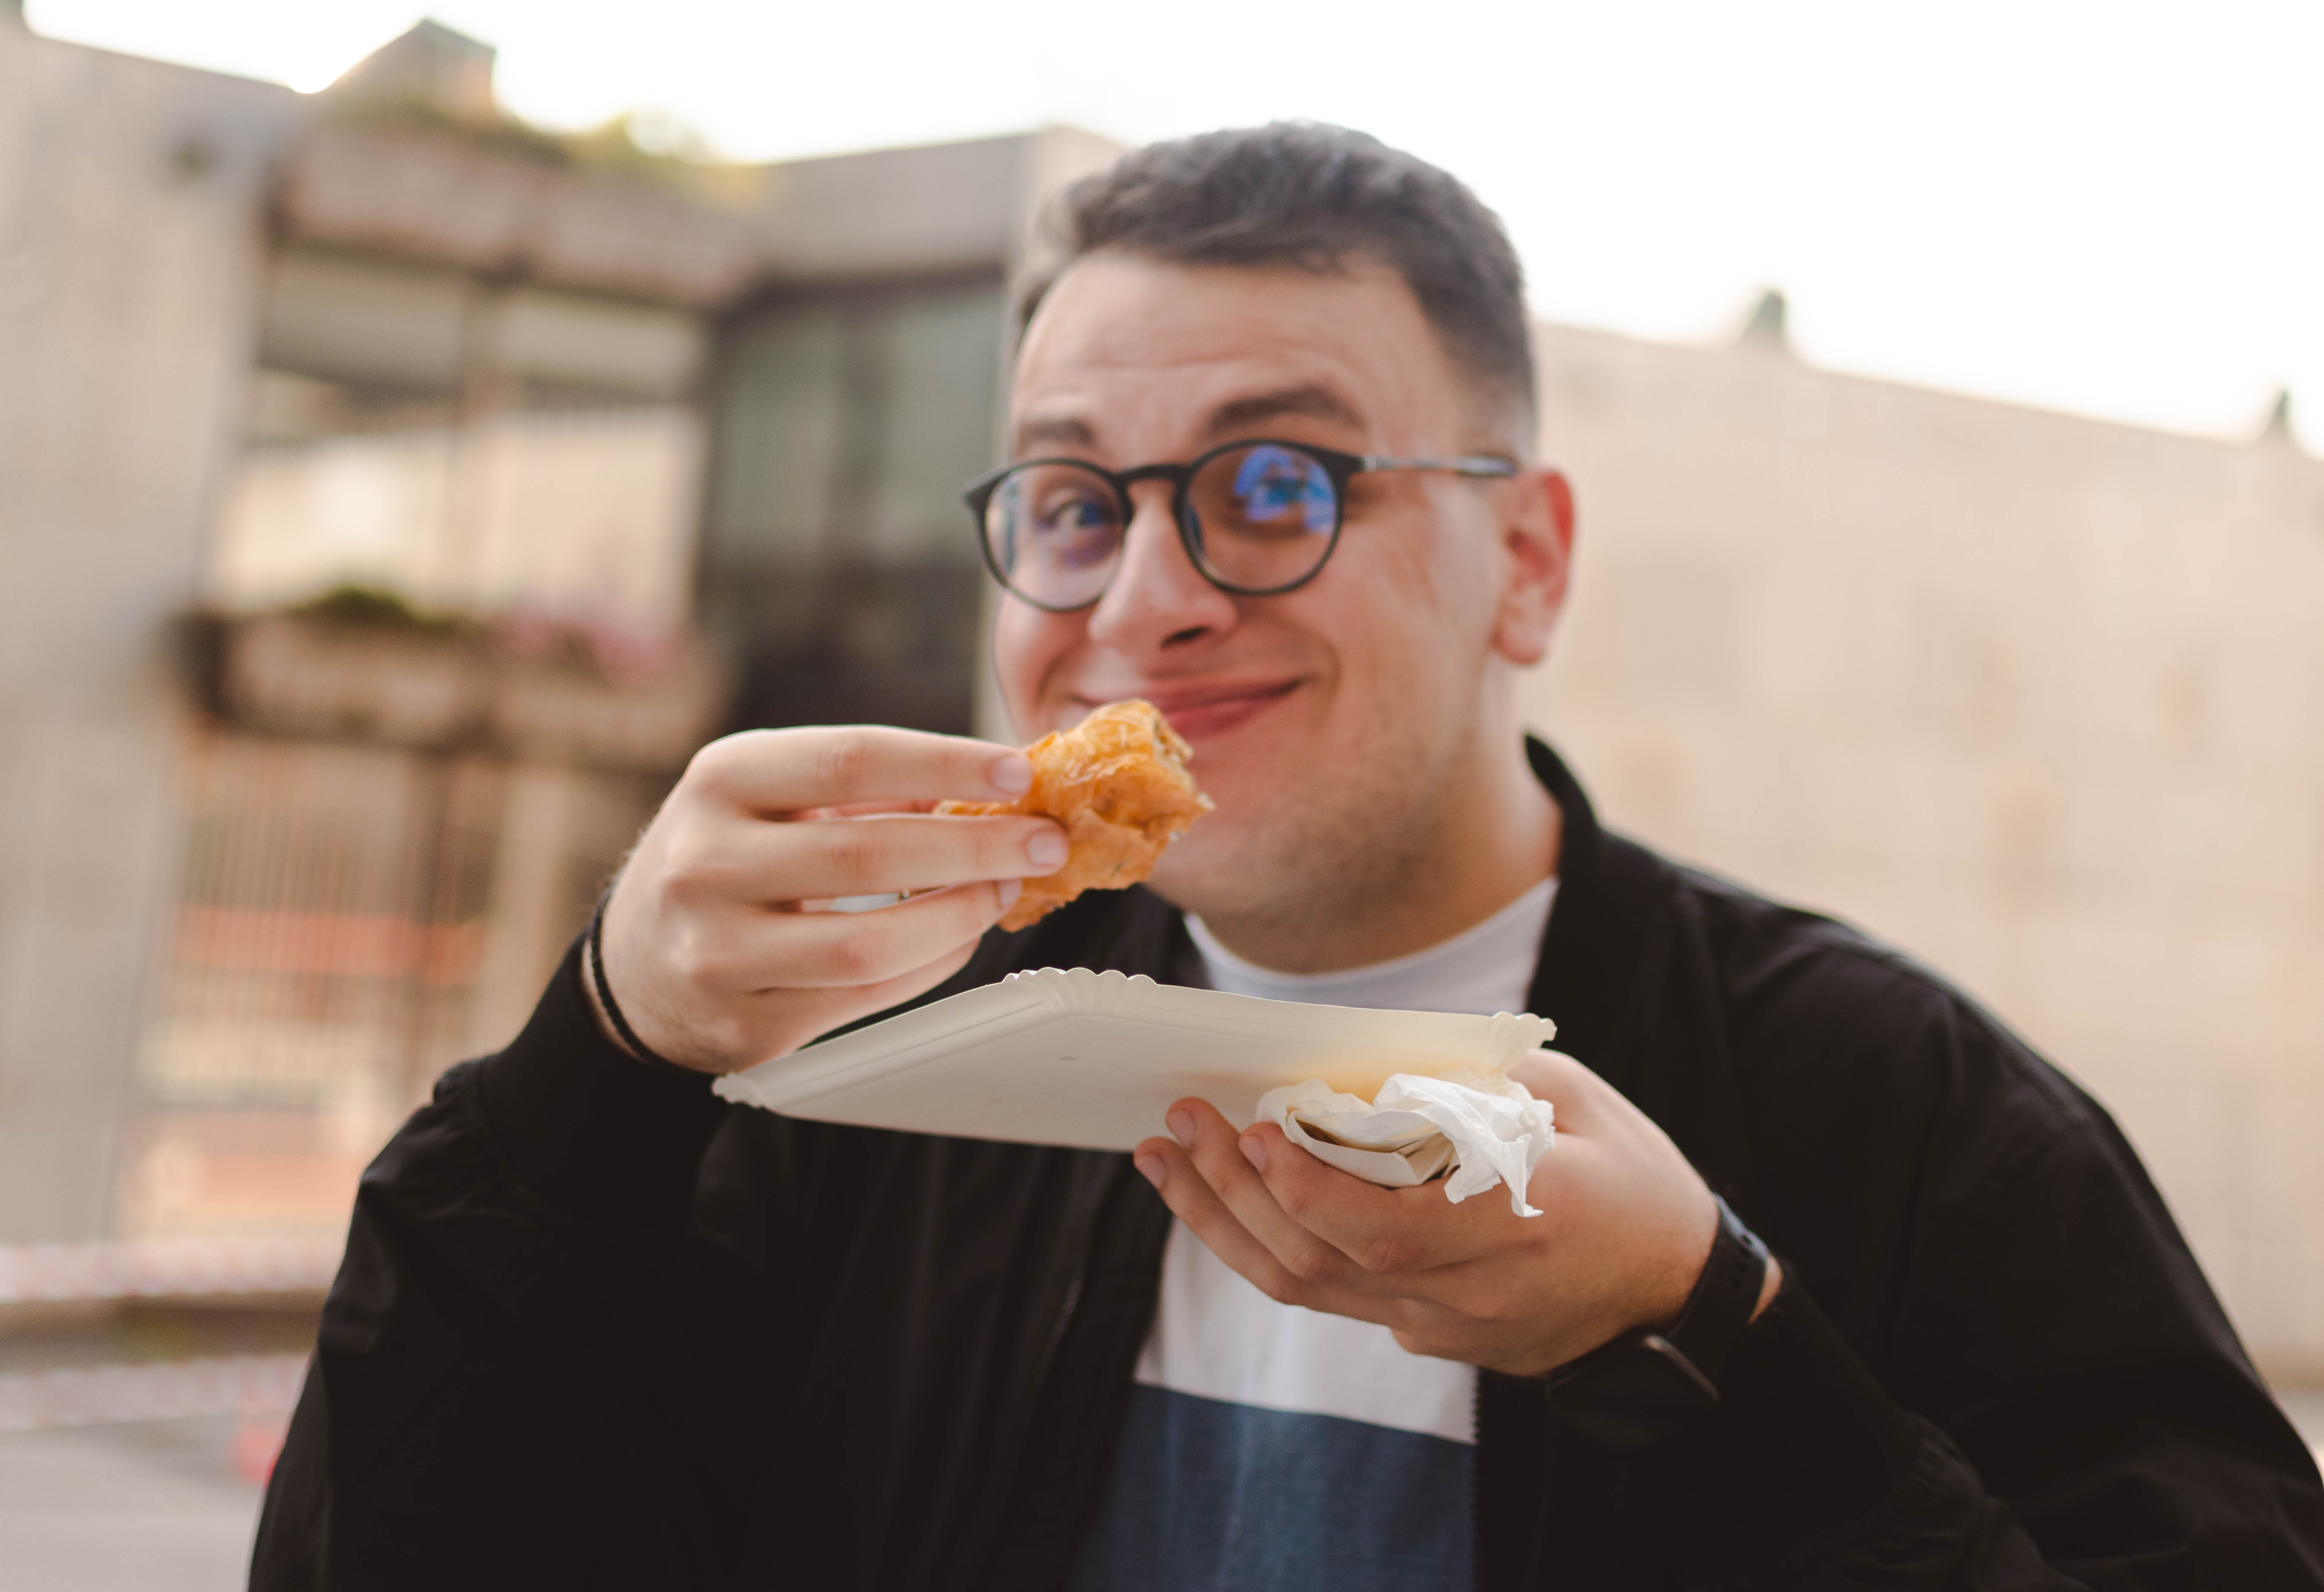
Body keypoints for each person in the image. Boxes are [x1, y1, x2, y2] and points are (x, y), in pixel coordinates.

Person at [250, 124, 2324, 1591]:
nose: (1145, 600)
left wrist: (1710, 1341)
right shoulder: (892, 1085)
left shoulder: (1911, 1122)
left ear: (1528, 563)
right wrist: (605, 1053)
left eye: (1274, 484)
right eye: (1075, 502)